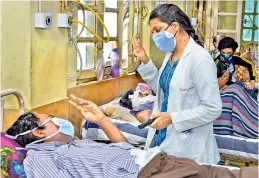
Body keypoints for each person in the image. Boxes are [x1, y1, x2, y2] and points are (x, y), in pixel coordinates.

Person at [132, 4, 222, 164]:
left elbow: (213, 109)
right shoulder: (170, 55)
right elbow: (165, 89)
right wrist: (145, 61)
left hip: (189, 149)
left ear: (174, 27)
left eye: (158, 30)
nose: (154, 37)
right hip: (162, 141)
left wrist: (173, 118)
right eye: (152, 32)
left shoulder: (200, 59)